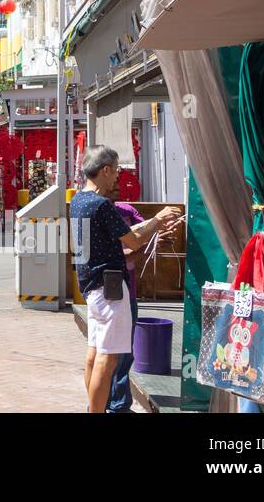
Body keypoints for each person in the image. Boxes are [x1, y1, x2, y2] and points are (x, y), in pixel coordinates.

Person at [70, 145, 181, 413]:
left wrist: (152, 227)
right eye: (117, 170)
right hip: (109, 289)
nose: (118, 176)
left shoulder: (79, 201)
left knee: (94, 354)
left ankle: (93, 408)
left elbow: (123, 234)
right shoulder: (101, 205)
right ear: (105, 170)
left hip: (92, 287)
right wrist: (158, 219)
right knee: (107, 360)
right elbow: (133, 240)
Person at [108, 201, 146, 412]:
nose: (114, 185)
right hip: (107, 292)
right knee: (110, 353)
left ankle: (113, 402)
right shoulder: (96, 211)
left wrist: (158, 231)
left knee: (123, 352)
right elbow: (116, 257)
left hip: (127, 291)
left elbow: (146, 235)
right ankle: (115, 404)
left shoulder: (128, 211)